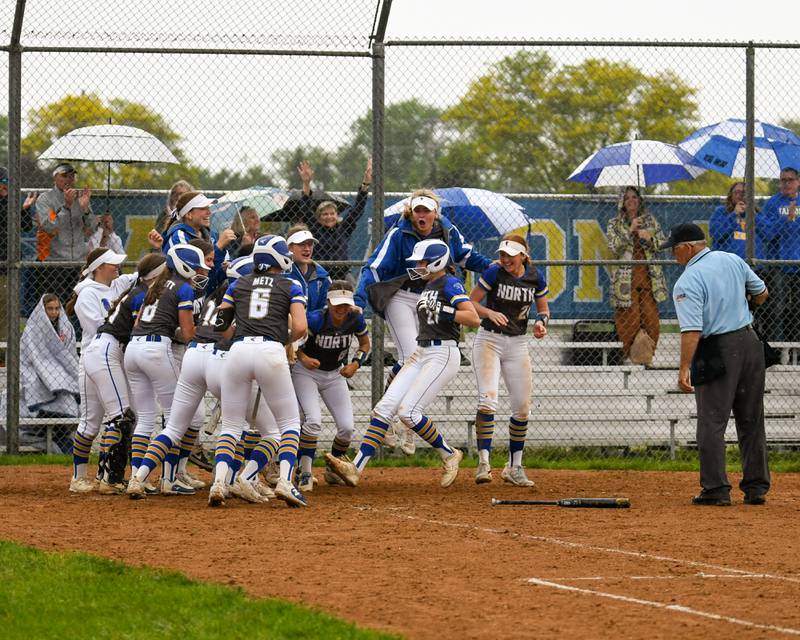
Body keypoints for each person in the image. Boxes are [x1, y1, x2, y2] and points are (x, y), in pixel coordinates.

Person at [326, 239, 480, 488]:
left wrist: (445, 310)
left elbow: (472, 317)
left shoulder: (449, 282)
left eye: (423, 262)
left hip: (442, 353)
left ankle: (449, 453)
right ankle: (355, 468)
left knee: (408, 413)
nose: (418, 266)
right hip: (421, 352)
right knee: (383, 409)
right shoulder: (427, 286)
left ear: (437, 262)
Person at [354, 189, 491, 454]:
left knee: (420, 361)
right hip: (401, 296)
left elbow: (466, 256)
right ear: (410, 212)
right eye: (417, 210)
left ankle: (403, 418)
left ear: (435, 213)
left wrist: (493, 268)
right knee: (411, 357)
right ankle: (392, 416)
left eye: (427, 210)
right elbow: (374, 266)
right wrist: (359, 300)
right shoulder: (399, 233)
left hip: (430, 299)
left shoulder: (447, 231)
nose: (422, 215)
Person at [663, 222, 770, 506]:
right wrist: (745, 307)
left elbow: (692, 331)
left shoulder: (688, 280)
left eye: (675, 251)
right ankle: (756, 487)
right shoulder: (732, 259)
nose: (674, 257)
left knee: (711, 421)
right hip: (750, 343)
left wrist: (683, 368)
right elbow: (762, 292)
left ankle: (716, 489)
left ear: (687, 248)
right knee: (751, 419)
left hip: (718, 348)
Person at [207, 234, 308, 508]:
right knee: (289, 424)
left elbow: (221, 325)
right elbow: (300, 327)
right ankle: (286, 482)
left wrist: (243, 331)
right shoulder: (291, 284)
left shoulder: (239, 283)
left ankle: (219, 483)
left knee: (230, 426)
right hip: (270, 350)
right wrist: (281, 339)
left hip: (238, 350)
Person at [124, 243, 210, 494]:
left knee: (146, 418)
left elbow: (140, 321)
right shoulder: (183, 288)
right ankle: (169, 479)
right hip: (155, 350)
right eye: (195, 268)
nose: (198, 273)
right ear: (183, 266)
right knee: (178, 417)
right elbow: (187, 332)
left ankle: (138, 476)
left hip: (134, 348)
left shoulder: (155, 285)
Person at [468, 234, 550, 486]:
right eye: (502, 254)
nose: (505, 259)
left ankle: (514, 467)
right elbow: (471, 302)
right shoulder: (494, 272)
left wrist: (540, 322)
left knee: (522, 409)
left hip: (517, 342)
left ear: (523, 256)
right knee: (488, 401)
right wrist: (490, 312)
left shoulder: (534, 276)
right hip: (489, 340)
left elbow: (544, 309)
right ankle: (484, 462)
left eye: (510, 255)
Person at [64, 247, 136, 494]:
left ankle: (105, 475)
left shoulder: (117, 284)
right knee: (91, 422)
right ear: (98, 268)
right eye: (112, 264)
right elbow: (98, 328)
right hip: (93, 358)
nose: (117, 267)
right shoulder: (86, 294)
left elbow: (147, 273)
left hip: (114, 358)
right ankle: (79, 476)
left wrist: (160, 243)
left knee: (118, 417)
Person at [292, 280, 370, 491]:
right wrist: (303, 357)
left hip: (334, 373)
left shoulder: (354, 317)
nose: (341, 309)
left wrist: (355, 363)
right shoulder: (315, 319)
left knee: (346, 428)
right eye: (337, 304)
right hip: (306, 372)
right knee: (313, 421)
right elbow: (292, 342)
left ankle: (334, 466)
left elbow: (365, 344)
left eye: (345, 304)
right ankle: (305, 470)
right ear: (328, 301)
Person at [606, 186, 668, 363]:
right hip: (625, 281)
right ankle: (630, 356)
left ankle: (647, 355)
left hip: (649, 278)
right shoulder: (614, 223)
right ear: (622, 203)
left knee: (652, 321)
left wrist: (650, 238)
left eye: (634, 197)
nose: (631, 201)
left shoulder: (650, 221)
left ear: (640, 200)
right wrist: (630, 230)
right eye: (627, 198)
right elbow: (614, 247)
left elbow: (663, 244)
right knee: (628, 320)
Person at [19, 294, 79, 452]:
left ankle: (62, 442)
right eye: (49, 309)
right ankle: (57, 442)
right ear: (42, 310)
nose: (54, 312)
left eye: (57, 309)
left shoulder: (65, 328)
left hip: (61, 374)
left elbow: (69, 354)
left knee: (66, 399)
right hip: (38, 373)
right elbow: (31, 355)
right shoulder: (33, 329)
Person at [296, 158, 372, 281]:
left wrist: (366, 183)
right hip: (320, 274)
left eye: (332, 213)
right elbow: (305, 209)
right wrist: (306, 183)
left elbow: (357, 210)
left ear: (337, 215)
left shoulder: (343, 228)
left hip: (342, 275)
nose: (329, 217)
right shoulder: (315, 229)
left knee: (353, 292)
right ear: (319, 217)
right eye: (325, 214)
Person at [34, 163, 96, 305]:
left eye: (71, 176)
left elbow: (91, 228)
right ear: (55, 177)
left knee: (78, 306)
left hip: (79, 263)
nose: (69, 179)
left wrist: (85, 209)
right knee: (55, 307)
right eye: (64, 176)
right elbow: (49, 226)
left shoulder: (79, 197)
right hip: (55, 263)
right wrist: (67, 207)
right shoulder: (45, 199)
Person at [0, 166, 37, 354]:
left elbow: (25, 226)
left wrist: (25, 209)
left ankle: (4, 356)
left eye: (8, 183)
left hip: (7, 271)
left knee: (6, 314)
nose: (6, 187)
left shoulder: (10, 203)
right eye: (3, 182)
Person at [761, 167, 800, 342]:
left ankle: (796, 352)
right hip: (779, 264)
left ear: (798, 182)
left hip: (798, 262)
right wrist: (786, 219)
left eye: (790, 180)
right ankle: (776, 348)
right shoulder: (772, 204)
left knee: (797, 309)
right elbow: (768, 234)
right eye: (783, 180)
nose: (786, 183)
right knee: (778, 308)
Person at [286, 224, 331, 313]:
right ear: (290, 247)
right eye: (301, 244)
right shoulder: (282, 274)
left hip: (315, 326)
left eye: (310, 244)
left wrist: (311, 322)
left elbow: (325, 309)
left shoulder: (322, 276)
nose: (307, 249)